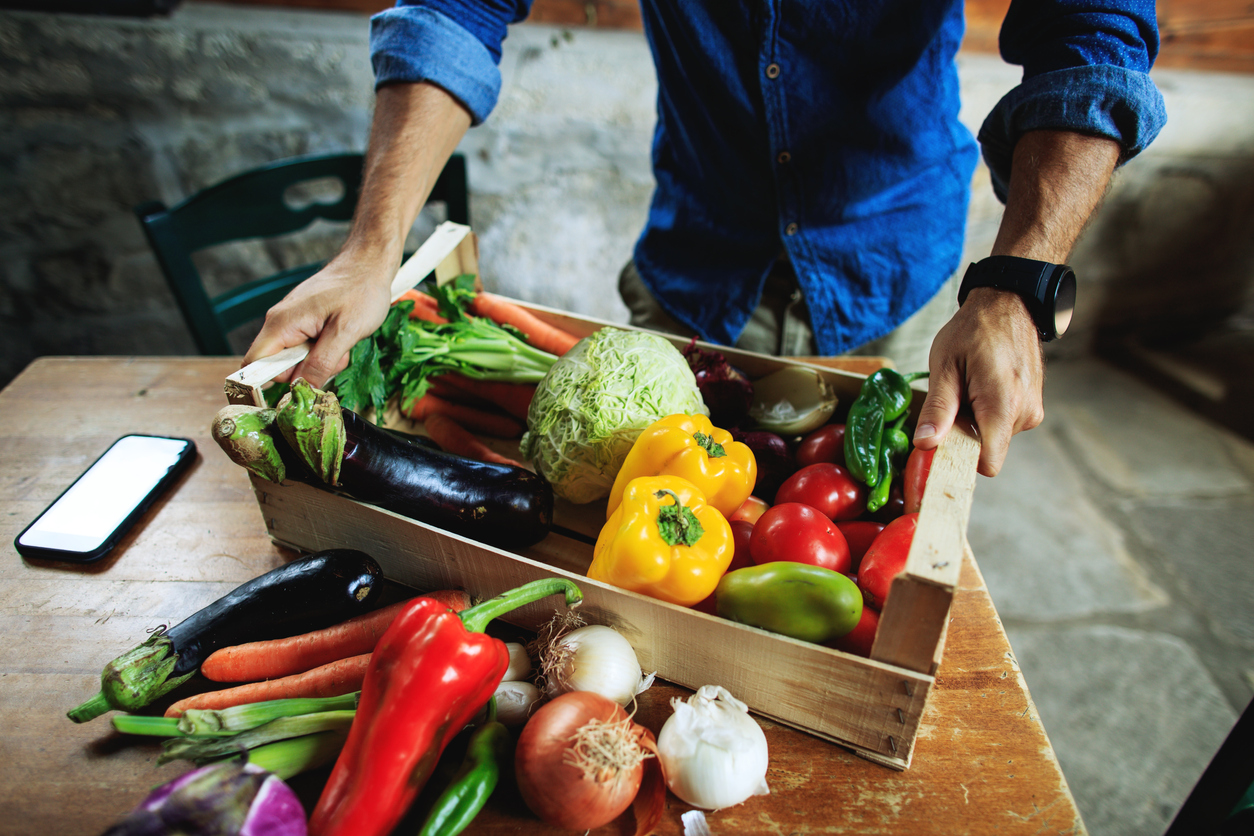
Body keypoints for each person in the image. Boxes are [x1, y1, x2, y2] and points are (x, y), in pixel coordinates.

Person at [244, 0, 1166, 479]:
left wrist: (1015, 284)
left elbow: (1094, 26)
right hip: (695, 251)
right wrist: (372, 248)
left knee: (863, 469)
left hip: (886, 250)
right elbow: (455, 5)